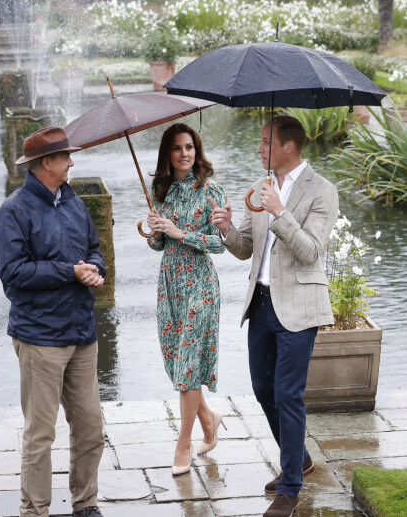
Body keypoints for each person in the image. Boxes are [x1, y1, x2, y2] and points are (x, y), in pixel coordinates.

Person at [210, 116, 339, 517]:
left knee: (287, 394)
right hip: (261, 304)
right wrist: (227, 227)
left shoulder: (322, 191)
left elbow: (311, 251)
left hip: (300, 307)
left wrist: (281, 212)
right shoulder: (261, 187)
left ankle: (289, 488)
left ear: (289, 147)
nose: (259, 148)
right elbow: (245, 248)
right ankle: (297, 457)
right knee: (264, 390)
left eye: (266, 142)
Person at [0, 126, 106, 517]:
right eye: (66, 157)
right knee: (40, 435)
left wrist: (95, 269)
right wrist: (69, 272)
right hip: (40, 338)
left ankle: (86, 505)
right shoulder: (13, 211)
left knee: (91, 428)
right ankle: (34, 511)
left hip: (82, 333)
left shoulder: (73, 201)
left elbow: (94, 249)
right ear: (47, 163)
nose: (72, 162)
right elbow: (14, 275)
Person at [146, 122, 228, 476]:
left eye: (189, 147)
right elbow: (159, 245)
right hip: (170, 285)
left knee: (190, 366)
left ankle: (184, 444)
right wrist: (153, 230)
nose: (184, 154)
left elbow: (219, 244)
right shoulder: (161, 192)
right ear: (168, 153)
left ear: (197, 151)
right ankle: (209, 419)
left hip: (201, 284)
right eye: (177, 148)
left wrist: (181, 232)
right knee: (179, 364)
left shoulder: (211, 191)